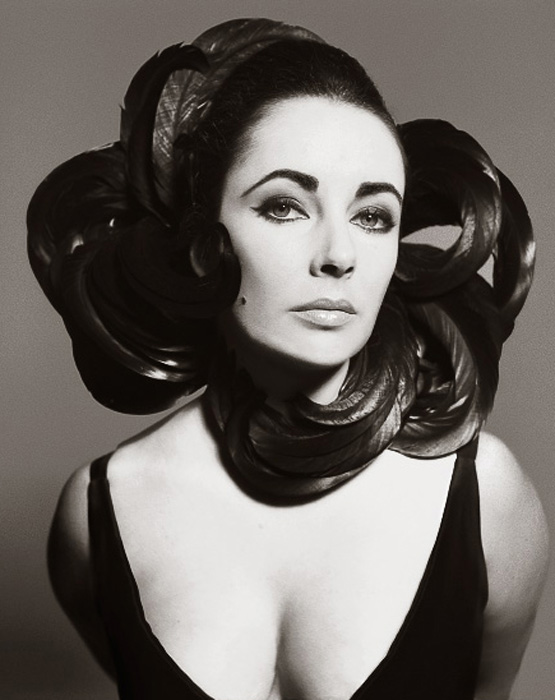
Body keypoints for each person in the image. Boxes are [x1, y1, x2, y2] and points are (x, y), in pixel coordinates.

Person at [27, 17, 548, 700]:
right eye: (284, 206)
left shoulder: (486, 496)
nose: (339, 255)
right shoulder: (99, 510)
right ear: (200, 235)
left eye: (373, 216)